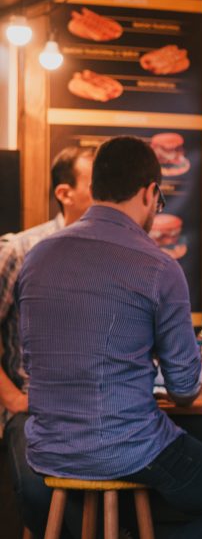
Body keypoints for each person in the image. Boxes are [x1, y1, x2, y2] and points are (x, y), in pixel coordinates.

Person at [16, 136, 202, 538]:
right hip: (125, 448)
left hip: (48, 451)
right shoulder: (158, 267)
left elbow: (34, 361)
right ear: (151, 192)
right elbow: (185, 387)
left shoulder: (37, 257)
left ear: (96, 188)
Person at [1, 146, 93, 537]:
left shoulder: (108, 254)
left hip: (91, 412)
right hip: (32, 409)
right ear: (64, 193)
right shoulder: (21, 250)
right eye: (94, 183)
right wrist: (12, 398)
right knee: (40, 495)